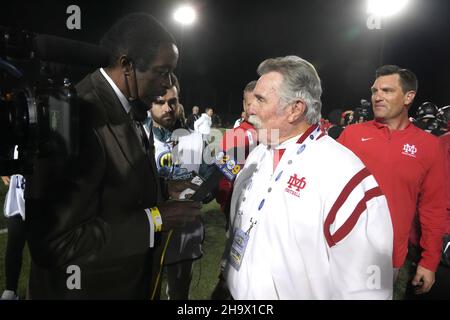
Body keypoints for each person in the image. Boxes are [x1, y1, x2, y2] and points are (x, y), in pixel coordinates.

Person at [24, 13, 200, 299]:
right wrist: (154, 220)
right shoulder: (74, 116)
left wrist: (163, 188)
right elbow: (55, 243)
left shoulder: (126, 104)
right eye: (162, 71)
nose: (168, 82)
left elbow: (109, 185)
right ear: (126, 65)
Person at [223, 56, 393, 299]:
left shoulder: (343, 175)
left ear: (295, 109)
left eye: (260, 99)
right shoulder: (258, 155)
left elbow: (368, 290)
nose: (250, 109)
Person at [338, 65, 446, 297]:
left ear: (409, 97)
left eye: (387, 91)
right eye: (375, 90)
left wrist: (429, 261)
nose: (377, 96)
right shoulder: (351, 135)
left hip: (388, 259)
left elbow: (433, 207)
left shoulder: (429, 146)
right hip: (340, 250)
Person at [146, 77, 204, 300]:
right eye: (160, 102)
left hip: (185, 236)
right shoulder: (137, 136)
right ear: (149, 103)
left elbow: (205, 182)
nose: (167, 108)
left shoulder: (196, 139)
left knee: (179, 296)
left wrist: (194, 188)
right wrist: (167, 187)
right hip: (149, 235)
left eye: (173, 101)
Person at [1, 148, 27, 300]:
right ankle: (10, 289)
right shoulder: (18, 136)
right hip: (18, 198)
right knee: (13, 244)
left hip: (41, 200)